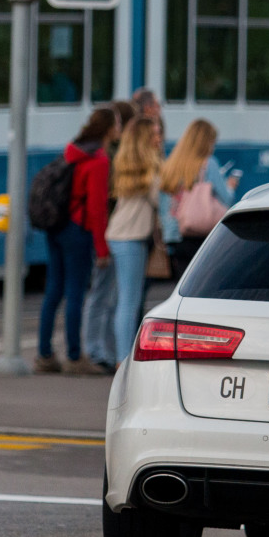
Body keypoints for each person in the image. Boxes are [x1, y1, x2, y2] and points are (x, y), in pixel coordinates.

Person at [35, 107, 120, 375]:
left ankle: (45, 355)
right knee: (75, 293)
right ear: (108, 129)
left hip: (57, 226)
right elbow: (97, 209)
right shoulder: (98, 160)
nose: (119, 128)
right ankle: (74, 357)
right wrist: (102, 249)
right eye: (117, 123)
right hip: (77, 229)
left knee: (54, 290)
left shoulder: (74, 150)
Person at [81, 101, 136, 374]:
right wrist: (102, 246)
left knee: (106, 294)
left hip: (107, 232)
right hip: (109, 232)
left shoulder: (104, 154)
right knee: (104, 293)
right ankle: (97, 349)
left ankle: (104, 349)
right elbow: (100, 205)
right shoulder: (107, 157)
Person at [105, 117, 164, 364]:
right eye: (155, 135)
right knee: (129, 302)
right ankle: (123, 360)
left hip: (119, 235)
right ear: (144, 141)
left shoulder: (128, 165)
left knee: (120, 301)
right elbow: (160, 201)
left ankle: (116, 354)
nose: (160, 138)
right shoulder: (150, 170)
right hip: (131, 238)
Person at [160, 118, 239, 278]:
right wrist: (230, 185)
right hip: (200, 234)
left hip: (175, 236)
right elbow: (226, 199)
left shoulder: (171, 164)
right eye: (212, 142)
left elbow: (164, 204)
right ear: (206, 142)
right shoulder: (209, 164)